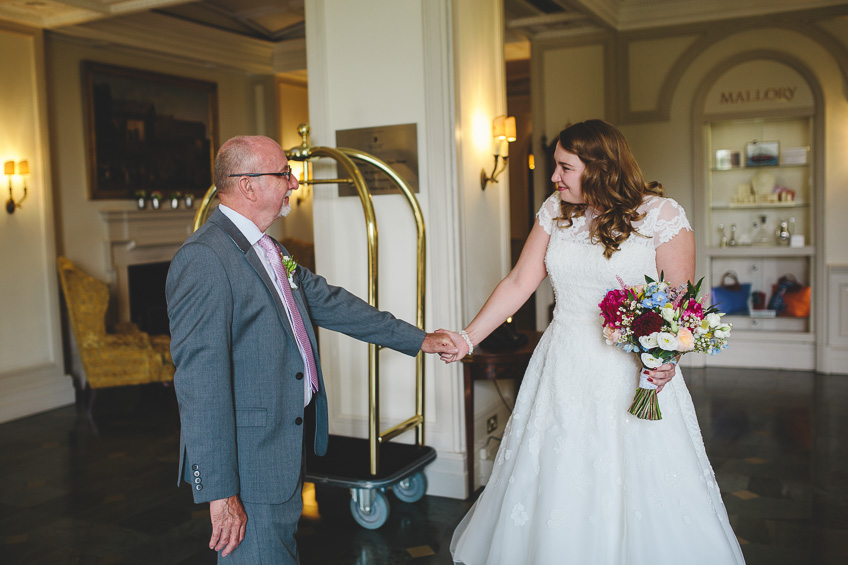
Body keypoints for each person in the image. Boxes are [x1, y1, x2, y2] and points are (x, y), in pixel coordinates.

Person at [445, 120, 746, 564]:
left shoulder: (662, 216)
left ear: (601, 168)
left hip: (630, 371)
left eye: (565, 167)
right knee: (560, 477)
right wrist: (467, 338)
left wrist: (668, 360)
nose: (554, 177)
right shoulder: (556, 210)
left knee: (635, 482)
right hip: (563, 366)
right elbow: (518, 282)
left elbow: (682, 307)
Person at [166, 135, 458, 564]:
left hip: (281, 448)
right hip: (249, 465)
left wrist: (420, 339)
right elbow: (199, 384)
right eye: (283, 173)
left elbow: (332, 303)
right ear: (247, 185)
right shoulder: (205, 259)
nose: (294, 181)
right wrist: (220, 491)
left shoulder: (269, 248)